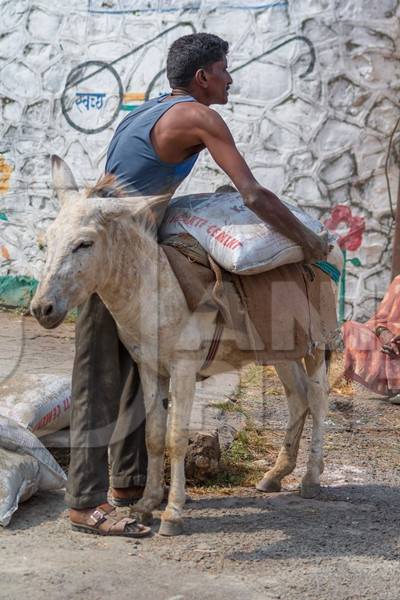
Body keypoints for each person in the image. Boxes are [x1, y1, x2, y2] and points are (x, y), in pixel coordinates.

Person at [68, 32, 329, 537]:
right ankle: (83, 503)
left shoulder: (145, 112)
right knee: (96, 376)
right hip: (115, 253)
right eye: (225, 69)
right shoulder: (200, 117)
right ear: (203, 76)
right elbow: (251, 194)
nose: (231, 78)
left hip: (131, 248)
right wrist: (307, 240)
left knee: (134, 369)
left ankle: (129, 483)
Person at [343, 275, 400, 403]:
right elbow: (379, 320)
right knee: (350, 328)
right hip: (390, 345)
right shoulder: (399, 281)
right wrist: (384, 333)